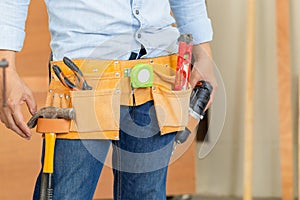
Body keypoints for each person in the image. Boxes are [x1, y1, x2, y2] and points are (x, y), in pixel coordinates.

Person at [0, 0, 217, 199]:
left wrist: (203, 51)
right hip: (83, 79)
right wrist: (5, 69)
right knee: (66, 193)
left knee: (147, 194)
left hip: (158, 75)